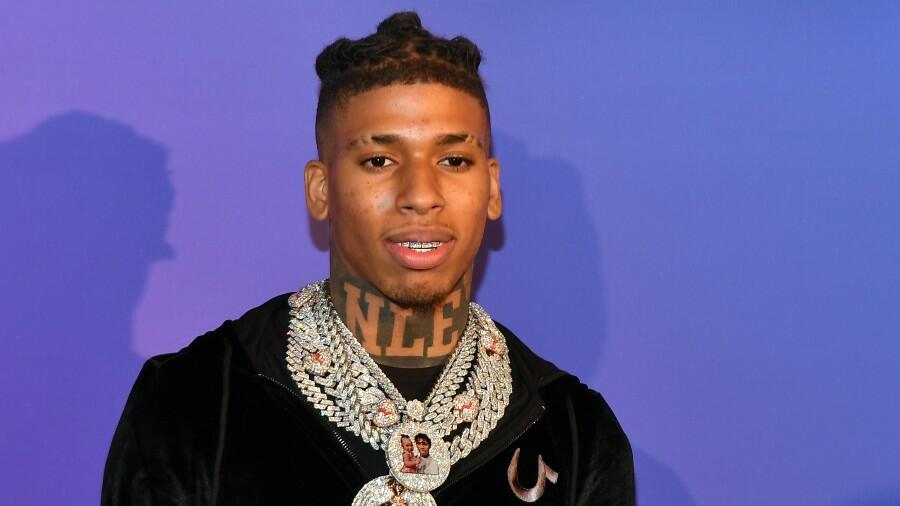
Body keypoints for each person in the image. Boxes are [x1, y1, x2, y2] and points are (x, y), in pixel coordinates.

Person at [102, 11, 634, 505]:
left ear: (492, 188)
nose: (420, 195)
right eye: (379, 160)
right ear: (321, 190)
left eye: (453, 160)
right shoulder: (194, 403)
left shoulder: (573, 432)